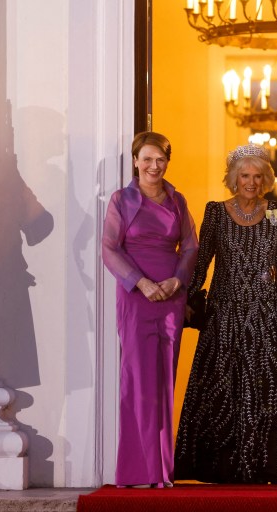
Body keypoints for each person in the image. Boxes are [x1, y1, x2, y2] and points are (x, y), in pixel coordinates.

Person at [174, 144, 277, 484]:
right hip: (225, 311)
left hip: (266, 312)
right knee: (223, 387)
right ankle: (222, 467)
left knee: (267, 387)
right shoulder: (216, 212)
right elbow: (202, 261)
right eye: (245, 175)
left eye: (258, 176)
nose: (251, 182)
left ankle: (267, 466)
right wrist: (186, 297)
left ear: (266, 180)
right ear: (233, 178)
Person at [101, 131, 198, 488]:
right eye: (147, 159)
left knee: (165, 381)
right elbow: (109, 249)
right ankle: (135, 471)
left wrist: (176, 282)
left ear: (167, 162)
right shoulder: (120, 200)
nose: (154, 166)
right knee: (138, 380)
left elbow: (190, 247)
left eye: (161, 159)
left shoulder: (177, 200)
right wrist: (141, 283)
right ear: (136, 161)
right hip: (136, 296)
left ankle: (162, 472)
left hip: (171, 298)